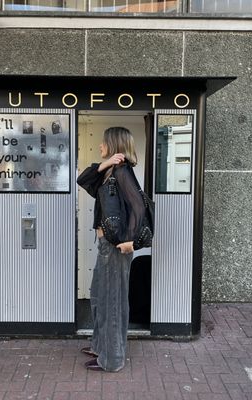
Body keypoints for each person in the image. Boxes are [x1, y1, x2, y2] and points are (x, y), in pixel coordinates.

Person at [77, 126, 145, 372]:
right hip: (105, 247)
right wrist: (105, 163)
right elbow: (83, 179)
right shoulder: (110, 172)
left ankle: (112, 359)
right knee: (98, 297)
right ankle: (100, 345)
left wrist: (133, 243)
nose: (99, 146)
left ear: (114, 144)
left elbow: (141, 208)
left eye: (104, 143)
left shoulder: (123, 173)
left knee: (112, 302)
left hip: (115, 248)